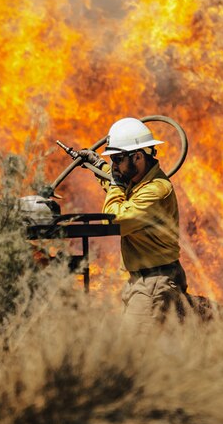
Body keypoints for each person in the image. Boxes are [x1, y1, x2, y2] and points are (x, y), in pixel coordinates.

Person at [79, 117, 187, 327]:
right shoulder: (138, 180)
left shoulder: (155, 190)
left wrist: (115, 184)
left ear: (137, 157)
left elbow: (115, 220)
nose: (115, 166)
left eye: (118, 159)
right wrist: (97, 165)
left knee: (135, 350)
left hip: (156, 281)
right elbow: (118, 185)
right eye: (113, 160)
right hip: (142, 279)